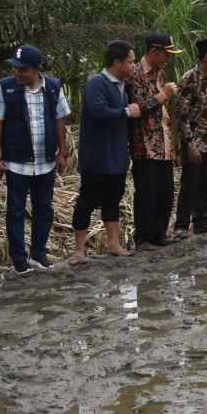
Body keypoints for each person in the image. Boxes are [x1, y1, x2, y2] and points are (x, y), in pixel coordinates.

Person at [0, 44, 70, 273]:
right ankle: (18, 258)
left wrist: (62, 153)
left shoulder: (53, 87)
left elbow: (59, 120)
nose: (17, 73)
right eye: (14, 68)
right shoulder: (4, 88)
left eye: (22, 69)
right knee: (15, 210)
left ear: (37, 69)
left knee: (43, 208)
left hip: (45, 161)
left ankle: (39, 253)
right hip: (16, 162)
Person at [68, 40, 141, 263]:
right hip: (97, 157)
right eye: (130, 62)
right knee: (87, 201)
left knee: (112, 200)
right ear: (117, 63)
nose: (134, 66)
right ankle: (79, 249)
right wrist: (127, 112)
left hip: (116, 156)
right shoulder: (96, 84)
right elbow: (99, 112)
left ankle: (113, 245)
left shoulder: (121, 85)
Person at [127, 31, 182, 251]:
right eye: (165, 54)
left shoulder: (160, 72)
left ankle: (159, 233)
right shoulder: (136, 74)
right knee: (146, 193)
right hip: (144, 145)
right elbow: (136, 109)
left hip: (164, 142)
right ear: (153, 51)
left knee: (165, 192)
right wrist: (163, 95)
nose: (168, 59)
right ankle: (143, 238)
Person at [173, 36, 207, 238]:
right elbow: (181, 114)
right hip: (194, 144)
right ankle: (181, 225)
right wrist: (190, 145)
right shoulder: (189, 79)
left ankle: (201, 221)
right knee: (190, 184)